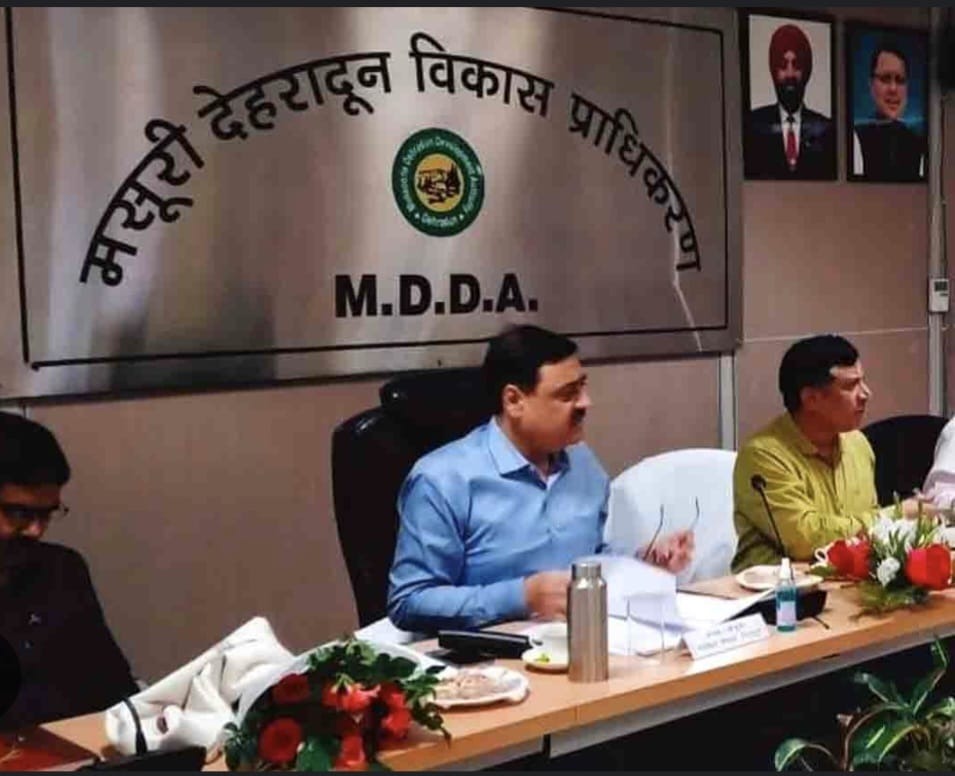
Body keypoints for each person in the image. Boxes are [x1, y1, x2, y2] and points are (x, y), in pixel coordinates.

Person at [387, 325, 694, 633]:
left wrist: (643, 562)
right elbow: (409, 601)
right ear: (514, 401)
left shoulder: (583, 462)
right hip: (484, 653)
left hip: (579, 641)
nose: (585, 403)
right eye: (568, 394)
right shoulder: (443, 480)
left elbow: (591, 555)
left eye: (583, 387)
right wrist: (522, 597)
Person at [732, 334, 924, 572]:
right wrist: (896, 515)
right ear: (811, 398)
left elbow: (869, 533)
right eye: (850, 386)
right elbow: (805, 539)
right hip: (776, 588)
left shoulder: (857, 444)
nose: (865, 394)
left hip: (846, 582)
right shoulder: (763, 456)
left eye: (862, 382)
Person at [0, 411, 137, 728]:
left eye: (47, 514)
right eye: (20, 513)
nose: (36, 530)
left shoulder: (62, 570)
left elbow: (114, 688)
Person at [743, 22, 835, 179]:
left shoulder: (826, 130)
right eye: (783, 65)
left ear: (806, 70)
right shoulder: (753, 126)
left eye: (797, 65)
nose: (790, 73)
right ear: (773, 70)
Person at [852, 38, 925, 181]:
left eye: (900, 80)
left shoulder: (919, 143)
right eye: (885, 79)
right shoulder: (855, 139)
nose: (893, 88)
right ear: (871, 85)